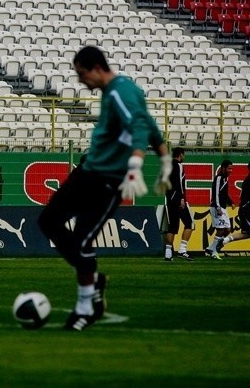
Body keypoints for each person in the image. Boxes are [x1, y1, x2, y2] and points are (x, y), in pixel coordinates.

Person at [38, 45, 171, 331]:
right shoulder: (122, 90)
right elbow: (147, 121)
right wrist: (164, 156)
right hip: (88, 172)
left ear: (96, 68)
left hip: (108, 180)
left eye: (81, 73)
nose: (80, 80)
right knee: (48, 220)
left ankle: (86, 308)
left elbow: (138, 125)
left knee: (83, 242)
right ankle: (92, 278)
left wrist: (136, 164)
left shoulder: (120, 92)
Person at [162, 147, 195, 261]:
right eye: (183, 155)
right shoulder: (179, 166)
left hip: (169, 199)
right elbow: (180, 183)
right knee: (189, 224)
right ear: (180, 154)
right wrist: (181, 198)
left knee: (173, 226)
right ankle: (182, 250)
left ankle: (168, 253)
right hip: (178, 199)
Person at [205, 159, 235, 259]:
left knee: (228, 229)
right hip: (216, 207)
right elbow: (216, 193)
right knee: (221, 230)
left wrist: (231, 202)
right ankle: (214, 251)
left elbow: (225, 194)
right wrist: (218, 207)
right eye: (229, 168)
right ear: (223, 168)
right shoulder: (218, 178)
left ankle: (211, 248)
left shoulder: (225, 179)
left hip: (222, 207)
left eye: (232, 169)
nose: (231, 170)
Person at [219, 161, 250, 250]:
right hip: (247, 210)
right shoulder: (248, 180)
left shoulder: (247, 180)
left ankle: (224, 240)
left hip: (245, 210)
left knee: (247, 233)